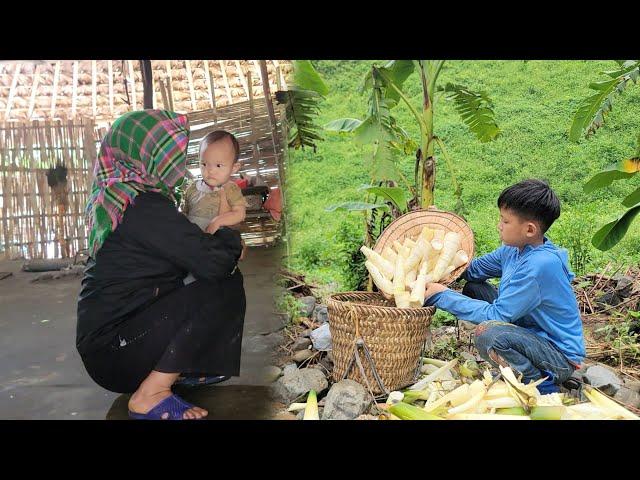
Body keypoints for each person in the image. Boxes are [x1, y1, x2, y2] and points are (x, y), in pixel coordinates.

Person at [76, 110, 245, 420]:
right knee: (222, 285)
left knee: (213, 278)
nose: (176, 165)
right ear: (148, 154)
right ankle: (149, 394)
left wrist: (220, 244)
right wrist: (233, 242)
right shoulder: (142, 207)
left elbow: (192, 248)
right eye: (171, 155)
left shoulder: (121, 198)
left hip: (113, 340)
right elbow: (213, 261)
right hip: (115, 351)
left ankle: (179, 368)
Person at [423, 179, 586, 394]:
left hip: (557, 355)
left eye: (505, 221)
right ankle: (523, 361)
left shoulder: (540, 265)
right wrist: (440, 249)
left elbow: (499, 315)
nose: (499, 225)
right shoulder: (512, 250)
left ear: (529, 229)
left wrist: (441, 295)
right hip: (529, 332)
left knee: (488, 334)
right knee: (475, 288)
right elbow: (470, 270)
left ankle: (542, 385)